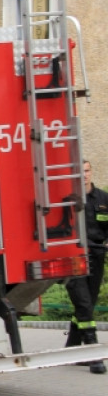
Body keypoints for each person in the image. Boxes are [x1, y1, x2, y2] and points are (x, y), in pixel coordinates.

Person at [64, 159, 108, 374]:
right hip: (73, 258)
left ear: (91, 172)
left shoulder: (103, 199)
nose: (84, 175)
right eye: (80, 171)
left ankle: (71, 348)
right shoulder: (67, 200)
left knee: (88, 303)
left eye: (87, 170)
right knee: (82, 302)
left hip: (97, 255)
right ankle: (93, 353)